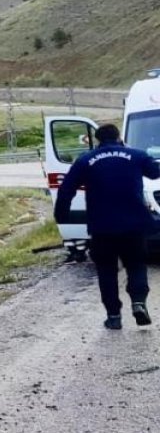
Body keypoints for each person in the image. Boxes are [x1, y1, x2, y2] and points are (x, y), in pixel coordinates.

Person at [55, 123, 160, 329]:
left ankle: (113, 316)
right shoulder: (136, 155)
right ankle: (138, 302)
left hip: (102, 227)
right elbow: (155, 173)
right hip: (134, 225)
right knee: (137, 265)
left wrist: (61, 215)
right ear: (119, 136)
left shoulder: (85, 161)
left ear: (97, 140)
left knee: (106, 271)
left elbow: (66, 190)